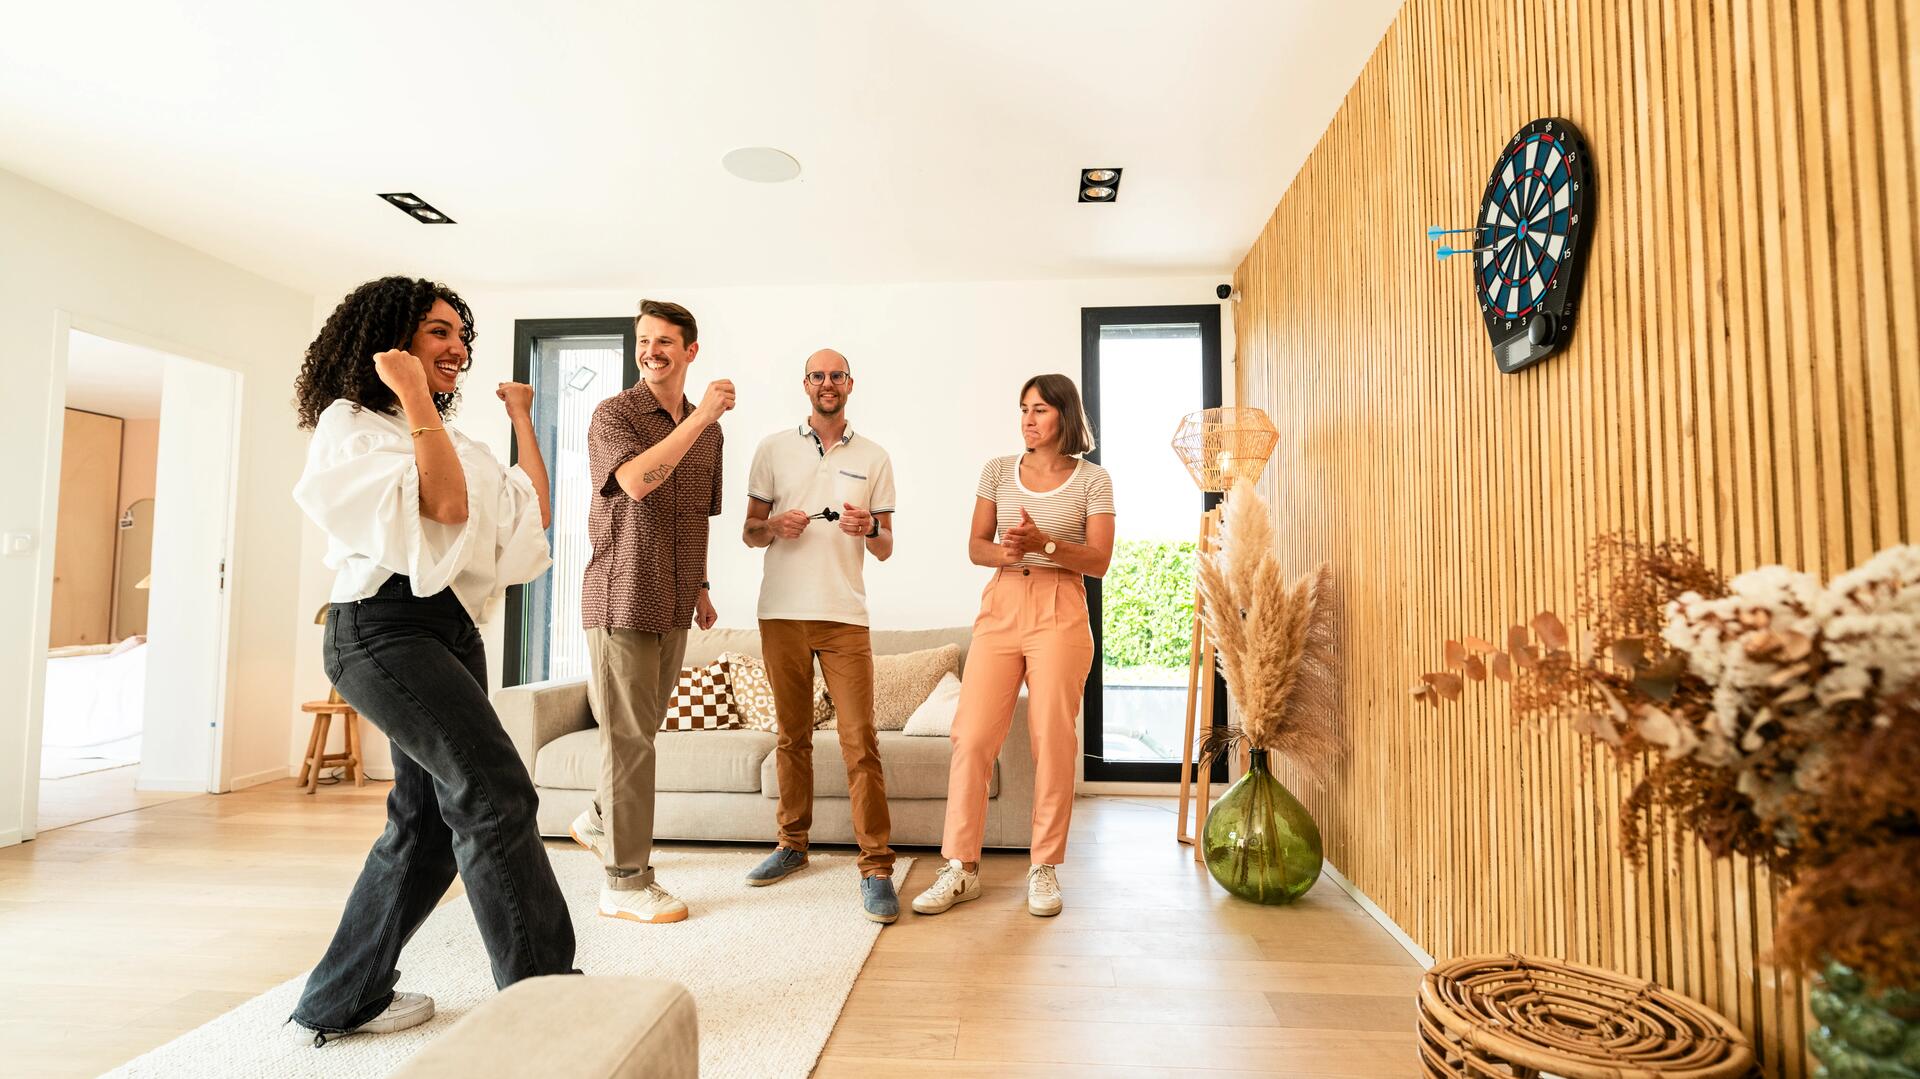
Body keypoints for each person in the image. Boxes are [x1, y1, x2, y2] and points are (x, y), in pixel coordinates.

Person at [289, 276, 574, 1044]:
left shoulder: (456, 441)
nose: (458, 349)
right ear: (388, 341)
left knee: (424, 824)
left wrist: (521, 417)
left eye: (462, 337)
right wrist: (413, 394)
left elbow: (529, 513)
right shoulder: (349, 424)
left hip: (447, 631)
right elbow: (444, 507)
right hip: (381, 629)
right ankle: (547, 1002)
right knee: (496, 792)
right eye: (439, 332)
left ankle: (339, 997)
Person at [912, 373, 1114, 919]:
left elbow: (1098, 561)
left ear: (1065, 416)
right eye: (1023, 408)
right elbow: (976, 546)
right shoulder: (997, 471)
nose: (1028, 418)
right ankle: (961, 867)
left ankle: (1043, 866)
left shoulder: (1094, 480)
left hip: (1060, 606)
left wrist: (1044, 543)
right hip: (1003, 602)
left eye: (1041, 409)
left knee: (1053, 738)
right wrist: (1012, 552)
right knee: (972, 736)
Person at [570, 299, 732, 924]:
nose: (652, 351)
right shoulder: (615, 414)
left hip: (674, 598)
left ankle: (598, 819)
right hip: (621, 592)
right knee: (630, 740)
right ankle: (626, 882)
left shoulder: (708, 429)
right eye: (644, 340)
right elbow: (638, 483)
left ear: (690, 351)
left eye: (666, 341)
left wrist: (701, 587)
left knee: (640, 734)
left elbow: (694, 516)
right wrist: (701, 418)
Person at [741, 349, 899, 922]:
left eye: (836, 375)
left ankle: (877, 865)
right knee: (792, 736)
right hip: (781, 612)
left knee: (861, 742)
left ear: (850, 384)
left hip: (844, 617)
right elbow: (749, 533)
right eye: (817, 375)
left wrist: (870, 526)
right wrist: (774, 526)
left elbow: (884, 547)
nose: (827, 383)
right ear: (805, 384)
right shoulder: (771, 449)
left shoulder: (875, 455)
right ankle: (792, 846)